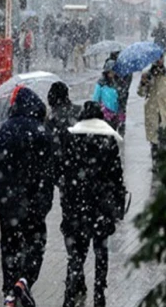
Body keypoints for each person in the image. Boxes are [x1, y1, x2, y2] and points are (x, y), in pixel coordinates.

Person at [58, 101, 126, 307]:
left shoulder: (71, 139)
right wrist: (117, 204)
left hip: (77, 206)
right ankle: (99, 290)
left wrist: (67, 200)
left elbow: (63, 173)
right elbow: (116, 177)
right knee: (100, 250)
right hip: (101, 207)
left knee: (77, 252)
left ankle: (72, 289)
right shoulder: (108, 140)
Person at [0, 86, 53, 307]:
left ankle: (9, 290)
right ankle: (24, 280)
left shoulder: (5, 129)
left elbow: (1, 163)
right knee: (35, 243)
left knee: (9, 245)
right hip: (33, 199)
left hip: (7, 200)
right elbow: (48, 171)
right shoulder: (41, 131)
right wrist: (44, 202)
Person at [46, 81, 82, 179]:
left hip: (64, 166)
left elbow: (53, 144)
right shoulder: (79, 111)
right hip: (81, 161)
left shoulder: (51, 117)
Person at [138, 54, 166, 162]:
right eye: (157, 58)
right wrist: (143, 83)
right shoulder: (148, 75)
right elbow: (141, 93)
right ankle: (156, 165)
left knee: (163, 141)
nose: (159, 60)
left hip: (164, 112)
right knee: (154, 142)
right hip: (152, 112)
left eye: (161, 58)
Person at [105, 51, 132, 136]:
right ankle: (118, 128)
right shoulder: (121, 66)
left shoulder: (124, 67)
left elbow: (127, 81)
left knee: (118, 111)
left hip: (119, 94)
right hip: (117, 94)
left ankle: (119, 128)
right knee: (119, 111)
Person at [92, 61, 123, 131]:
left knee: (114, 131)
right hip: (105, 112)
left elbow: (119, 97)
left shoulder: (117, 81)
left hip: (115, 112)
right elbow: (95, 98)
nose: (113, 73)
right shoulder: (101, 83)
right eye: (112, 71)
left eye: (114, 71)